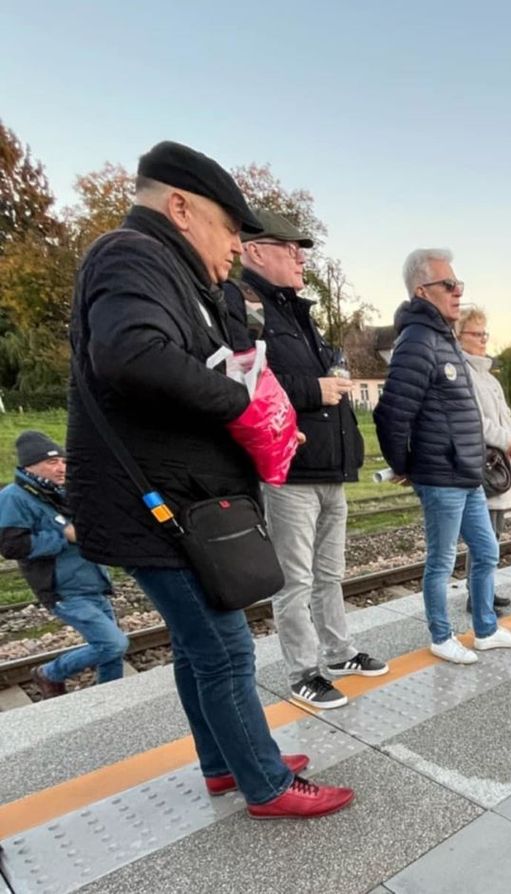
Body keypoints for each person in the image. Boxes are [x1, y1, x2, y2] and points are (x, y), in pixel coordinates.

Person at [67, 141, 350, 818]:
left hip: (177, 497)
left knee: (202, 649)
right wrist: (247, 408)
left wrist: (223, 305)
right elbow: (134, 357)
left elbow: (207, 358)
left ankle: (226, 763)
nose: (236, 248)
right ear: (181, 206)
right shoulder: (131, 256)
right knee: (224, 649)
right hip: (154, 504)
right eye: (230, 230)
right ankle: (267, 784)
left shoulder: (177, 273)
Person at [223, 209, 386, 711]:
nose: (300, 257)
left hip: (328, 466)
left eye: (302, 249)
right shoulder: (243, 304)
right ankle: (302, 671)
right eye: (289, 248)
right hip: (288, 469)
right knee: (295, 578)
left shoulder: (296, 310)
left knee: (329, 572)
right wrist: (313, 389)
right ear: (254, 250)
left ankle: (337, 652)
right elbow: (241, 383)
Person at [375, 249, 511, 664]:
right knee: (441, 560)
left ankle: (484, 629)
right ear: (422, 291)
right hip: (440, 474)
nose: (458, 291)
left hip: (466, 473)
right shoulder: (417, 342)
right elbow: (391, 414)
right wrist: (406, 466)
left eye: (459, 284)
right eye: (449, 285)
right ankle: (441, 636)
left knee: (486, 550)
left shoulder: (443, 339)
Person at [0, 431, 127, 699]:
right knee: (112, 644)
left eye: (62, 461)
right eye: (52, 462)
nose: (61, 467)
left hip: (93, 581)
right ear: (29, 466)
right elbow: (12, 546)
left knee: (112, 652)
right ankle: (50, 673)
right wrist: (62, 537)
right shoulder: (15, 497)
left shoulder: (59, 493)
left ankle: (111, 701)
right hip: (63, 589)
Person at [456, 306, 511, 613]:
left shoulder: (489, 376)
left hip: (500, 463)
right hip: (483, 463)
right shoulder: (463, 372)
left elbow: (505, 415)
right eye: (476, 333)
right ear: (459, 336)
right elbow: (476, 421)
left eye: (485, 333)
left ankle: (486, 588)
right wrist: (506, 439)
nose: (483, 339)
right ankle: (476, 594)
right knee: (482, 536)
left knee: (494, 533)